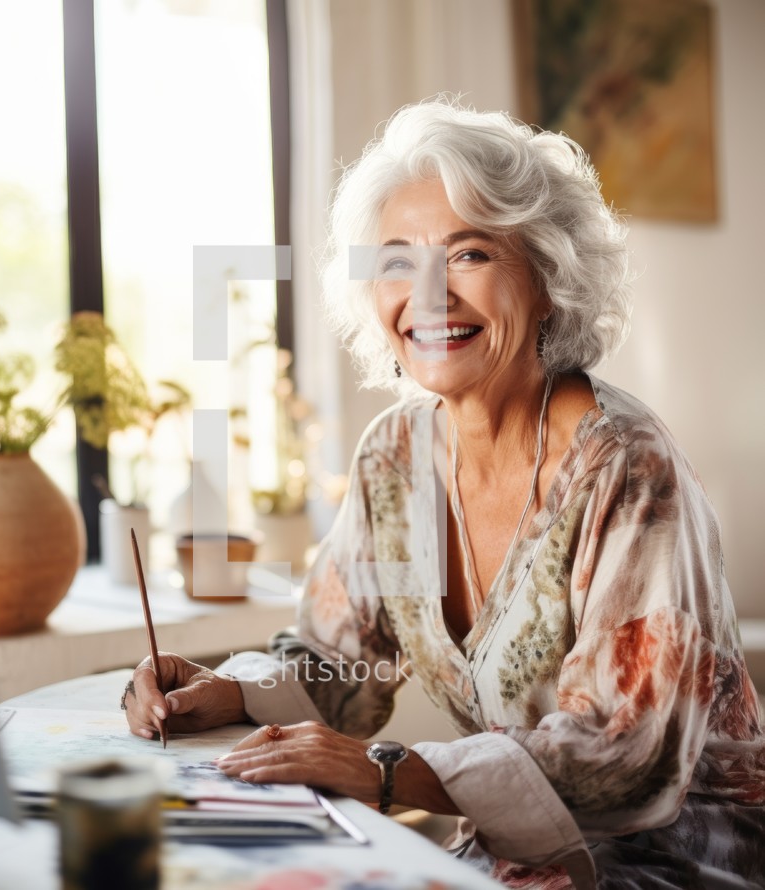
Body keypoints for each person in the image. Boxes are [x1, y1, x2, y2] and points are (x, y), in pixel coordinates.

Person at [122, 99, 765, 888]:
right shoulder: (391, 456)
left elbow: (625, 753)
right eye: (396, 260)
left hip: (676, 863)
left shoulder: (627, 467)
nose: (428, 295)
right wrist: (227, 691)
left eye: (468, 255)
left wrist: (389, 772)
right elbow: (342, 668)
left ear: (548, 281)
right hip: (513, 855)